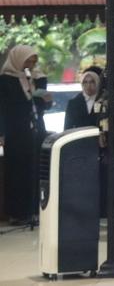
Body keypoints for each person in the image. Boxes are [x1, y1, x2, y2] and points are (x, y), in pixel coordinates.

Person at [0, 45, 52, 225]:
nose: (30, 65)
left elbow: (41, 106)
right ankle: (18, 213)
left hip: (36, 130)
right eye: (27, 61)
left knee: (36, 169)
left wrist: (43, 92)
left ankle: (35, 211)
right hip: (16, 132)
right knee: (17, 171)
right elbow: (3, 109)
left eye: (33, 61)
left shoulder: (36, 78)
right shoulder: (5, 80)